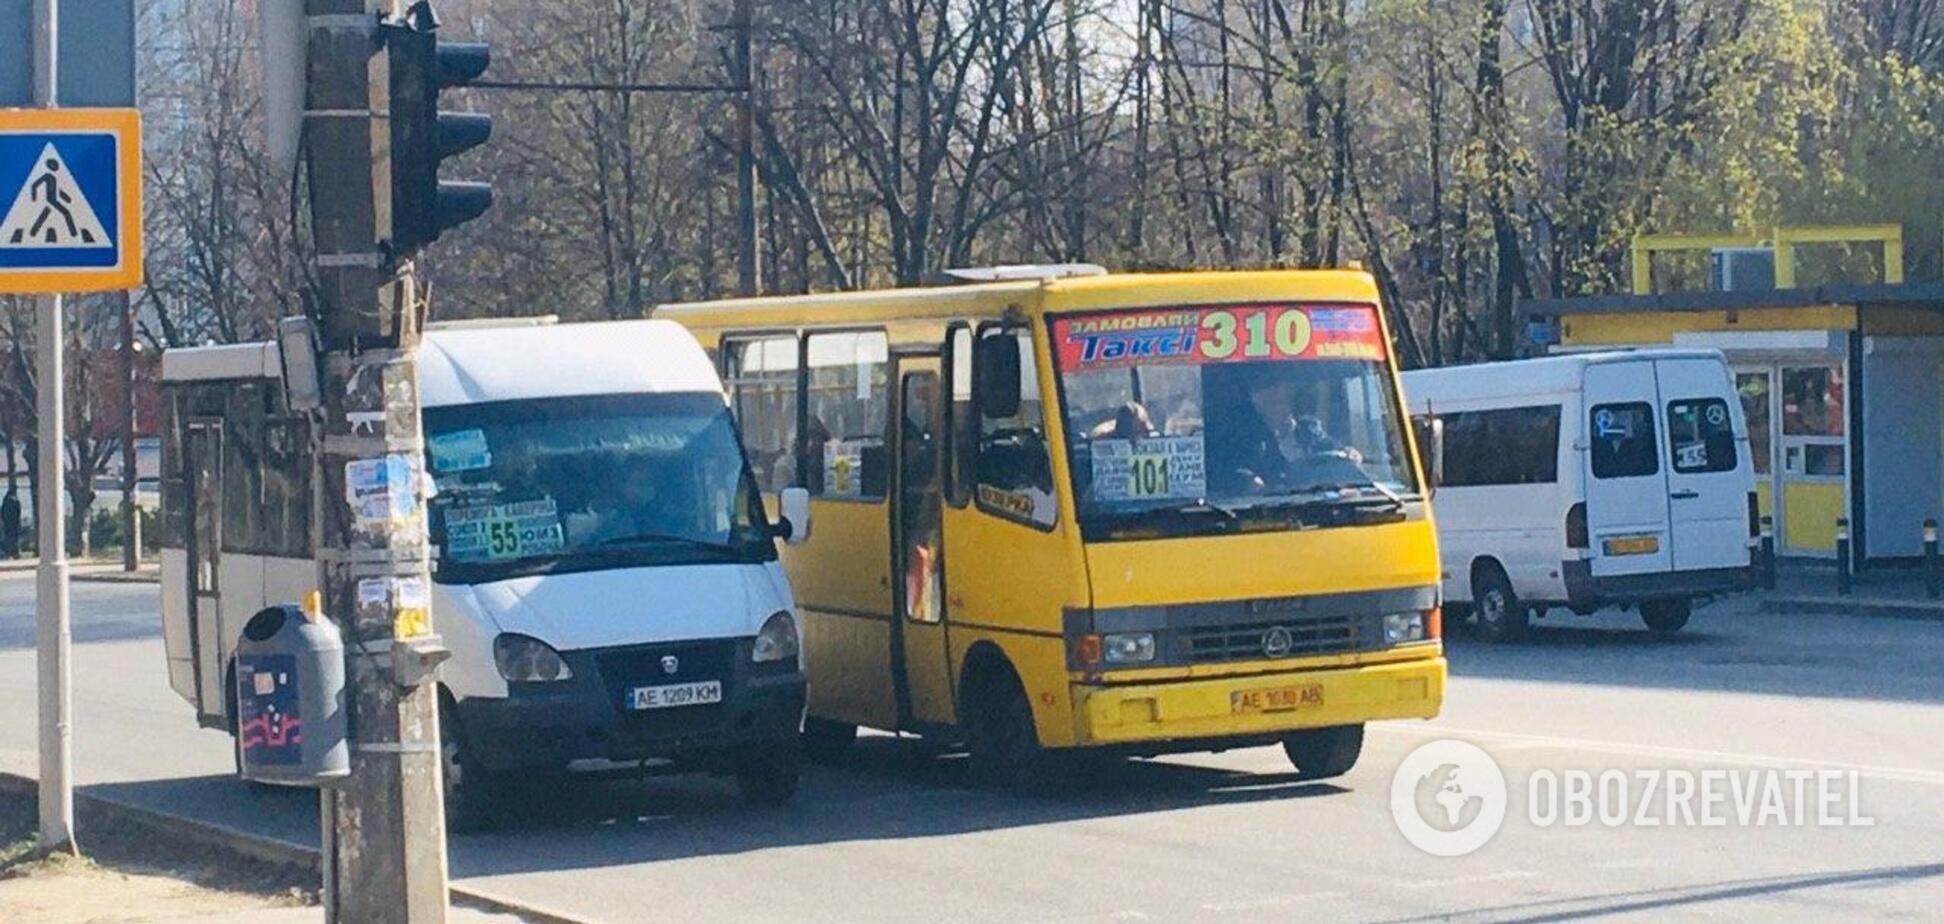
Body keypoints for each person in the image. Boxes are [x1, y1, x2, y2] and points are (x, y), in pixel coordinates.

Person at [1212, 370, 1359, 493]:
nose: (1273, 394)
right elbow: (1226, 472)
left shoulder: (1310, 430)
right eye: (1264, 389)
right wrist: (1248, 480)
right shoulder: (1244, 439)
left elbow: (1334, 451)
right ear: (1254, 399)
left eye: (1277, 387)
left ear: (1289, 392)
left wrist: (1349, 453)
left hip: (1317, 505)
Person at [0, 487, 18, 559]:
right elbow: (18, 512)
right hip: (12, 524)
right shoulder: (16, 501)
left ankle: (9, 552)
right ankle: (12, 552)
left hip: (7, 524)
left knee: (7, 538)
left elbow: (2, 512)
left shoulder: (5, 502)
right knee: (12, 538)